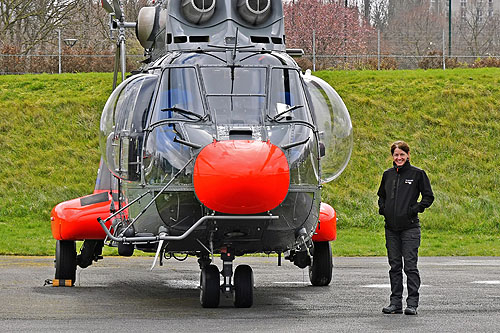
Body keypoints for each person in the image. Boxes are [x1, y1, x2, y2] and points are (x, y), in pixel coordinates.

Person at [377, 141, 434, 316]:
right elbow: (381, 196)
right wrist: (383, 209)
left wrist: (414, 210)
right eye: (396, 155)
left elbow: (428, 197)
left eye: (402, 154)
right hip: (391, 229)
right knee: (394, 266)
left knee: (410, 266)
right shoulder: (387, 175)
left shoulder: (417, 174)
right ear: (392, 157)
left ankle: (412, 304)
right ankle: (395, 303)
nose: (399, 158)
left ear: (408, 155)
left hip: (410, 228)